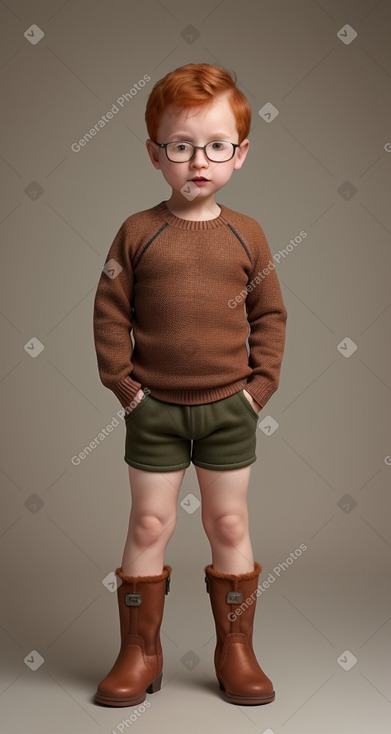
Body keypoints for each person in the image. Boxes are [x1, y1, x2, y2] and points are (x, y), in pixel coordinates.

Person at [92, 62, 287, 708]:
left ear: (240, 153)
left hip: (229, 409)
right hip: (154, 410)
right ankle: (138, 652)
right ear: (154, 154)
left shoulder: (247, 233)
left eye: (214, 146)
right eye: (179, 146)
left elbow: (270, 315)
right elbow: (108, 312)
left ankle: (235, 651)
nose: (196, 161)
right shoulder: (136, 232)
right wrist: (125, 388)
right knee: (148, 523)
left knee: (227, 520)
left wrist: (257, 390)